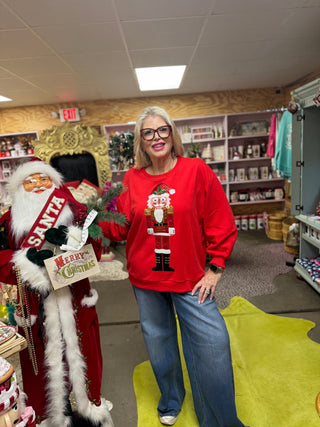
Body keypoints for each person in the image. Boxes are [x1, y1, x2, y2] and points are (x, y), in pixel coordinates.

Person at [99, 106, 246, 427]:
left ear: (172, 133)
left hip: (191, 279)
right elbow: (121, 227)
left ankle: (221, 420)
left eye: (162, 129)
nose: (157, 137)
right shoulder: (131, 179)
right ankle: (171, 399)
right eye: (148, 132)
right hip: (146, 280)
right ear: (140, 141)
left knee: (213, 347)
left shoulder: (195, 170)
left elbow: (221, 221)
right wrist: (93, 215)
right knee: (160, 344)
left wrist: (215, 268)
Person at [0, 158, 113, 427]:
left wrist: (76, 242)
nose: (38, 185)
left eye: (44, 179)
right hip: (35, 302)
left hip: (74, 296)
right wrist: (25, 261)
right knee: (43, 359)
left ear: (54, 181)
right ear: (20, 186)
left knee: (83, 352)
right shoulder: (8, 219)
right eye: (31, 180)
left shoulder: (74, 210)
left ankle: (89, 406)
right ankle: (52, 413)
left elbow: (95, 244)